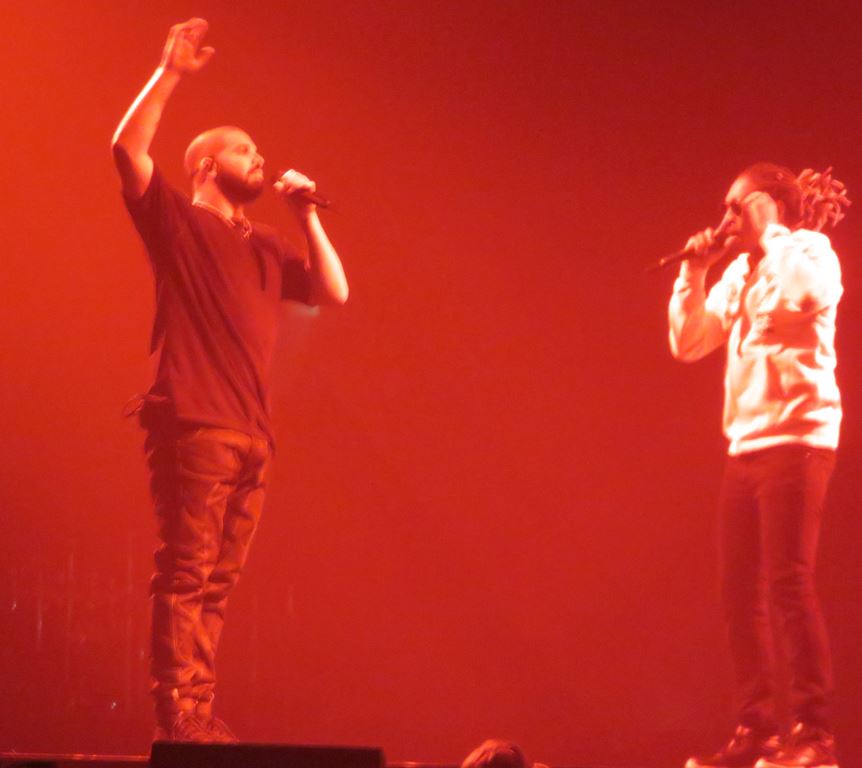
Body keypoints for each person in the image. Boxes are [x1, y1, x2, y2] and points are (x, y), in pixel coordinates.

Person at [111, 18, 348, 743]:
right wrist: (171, 72)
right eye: (246, 150)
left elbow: (334, 292)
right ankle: (176, 715)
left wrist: (305, 215)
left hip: (253, 435)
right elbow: (126, 149)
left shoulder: (269, 244)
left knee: (219, 583)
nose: (260, 158)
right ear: (208, 166)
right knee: (187, 573)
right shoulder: (178, 223)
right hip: (195, 423)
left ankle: (199, 708)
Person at [668, 164, 849, 768]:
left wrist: (772, 230)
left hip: (798, 442)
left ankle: (814, 735)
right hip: (744, 447)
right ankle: (758, 729)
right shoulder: (740, 272)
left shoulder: (811, 253)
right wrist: (695, 272)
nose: (724, 218)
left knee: (788, 583)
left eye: (735, 205)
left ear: (767, 204)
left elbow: (803, 294)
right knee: (737, 592)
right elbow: (689, 342)